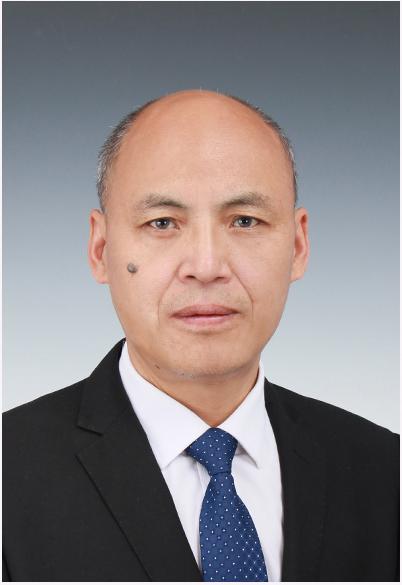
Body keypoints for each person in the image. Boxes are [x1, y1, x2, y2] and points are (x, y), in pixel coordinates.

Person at [3, 89, 399, 582]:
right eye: (162, 223)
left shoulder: (385, 471)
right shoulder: (8, 474)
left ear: (298, 245)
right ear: (100, 248)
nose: (207, 267)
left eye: (245, 221)